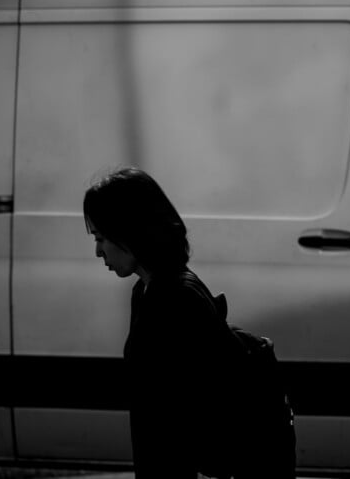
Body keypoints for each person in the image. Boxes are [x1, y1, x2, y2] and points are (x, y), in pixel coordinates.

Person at [83, 167, 238, 478]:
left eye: (101, 237)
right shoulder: (148, 290)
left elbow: (182, 415)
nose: (98, 251)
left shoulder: (173, 299)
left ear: (129, 232)